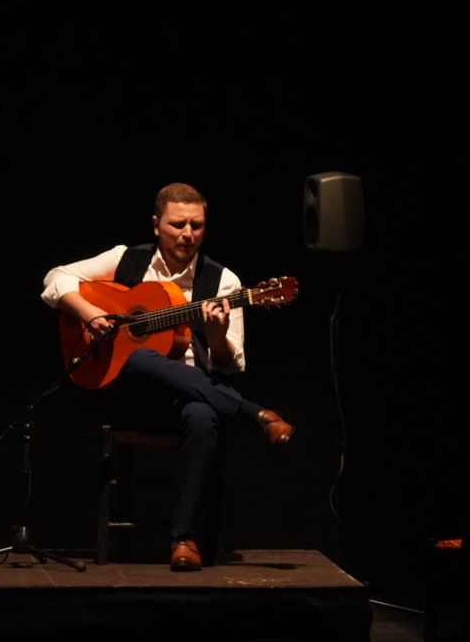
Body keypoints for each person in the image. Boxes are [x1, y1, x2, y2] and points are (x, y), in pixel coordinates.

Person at [40, 182, 293, 572]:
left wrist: (214, 334)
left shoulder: (224, 282)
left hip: (190, 396)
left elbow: (230, 364)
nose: (188, 234)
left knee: (203, 416)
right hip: (129, 397)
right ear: (157, 224)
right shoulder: (125, 260)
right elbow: (55, 279)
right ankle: (255, 413)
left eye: (197, 225)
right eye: (178, 225)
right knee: (140, 357)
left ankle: (184, 540)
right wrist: (89, 312)